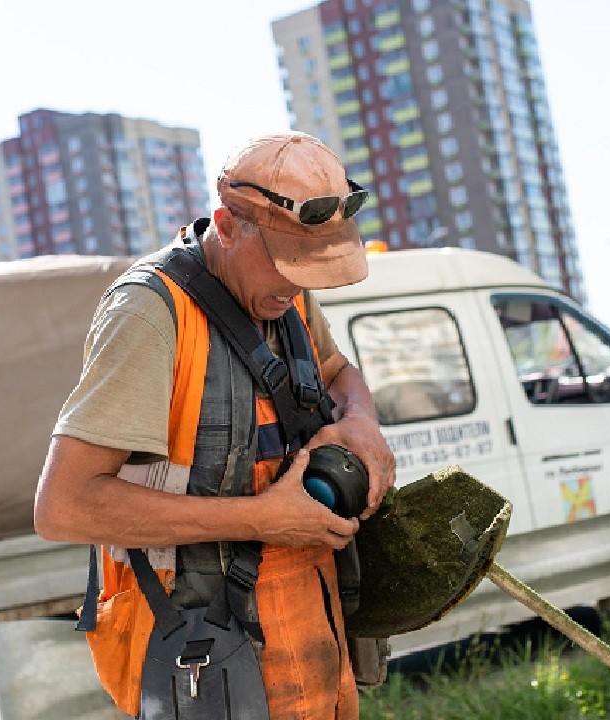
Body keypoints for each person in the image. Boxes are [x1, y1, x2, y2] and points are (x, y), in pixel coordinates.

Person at [34, 131, 396, 720]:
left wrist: (362, 422)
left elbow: (337, 372)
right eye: (287, 265)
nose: (297, 285)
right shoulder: (150, 316)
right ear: (227, 226)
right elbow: (63, 508)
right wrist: (263, 520)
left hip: (314, 639)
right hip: (205, 663)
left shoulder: (283, 294)